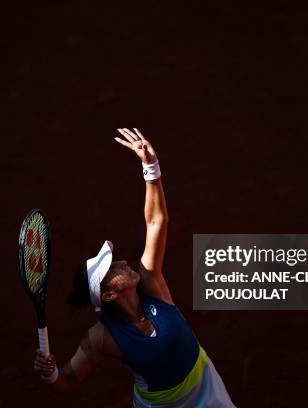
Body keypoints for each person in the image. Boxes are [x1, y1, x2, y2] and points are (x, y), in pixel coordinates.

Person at [34, 128, 235, 407]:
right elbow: (65, 381)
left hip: (206, 389)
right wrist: (51, 373)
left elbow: (156, 222)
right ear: (108, 296)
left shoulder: (150, 282)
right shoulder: (101, 337)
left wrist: (150, 167)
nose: (122, 263)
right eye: (112, 269)